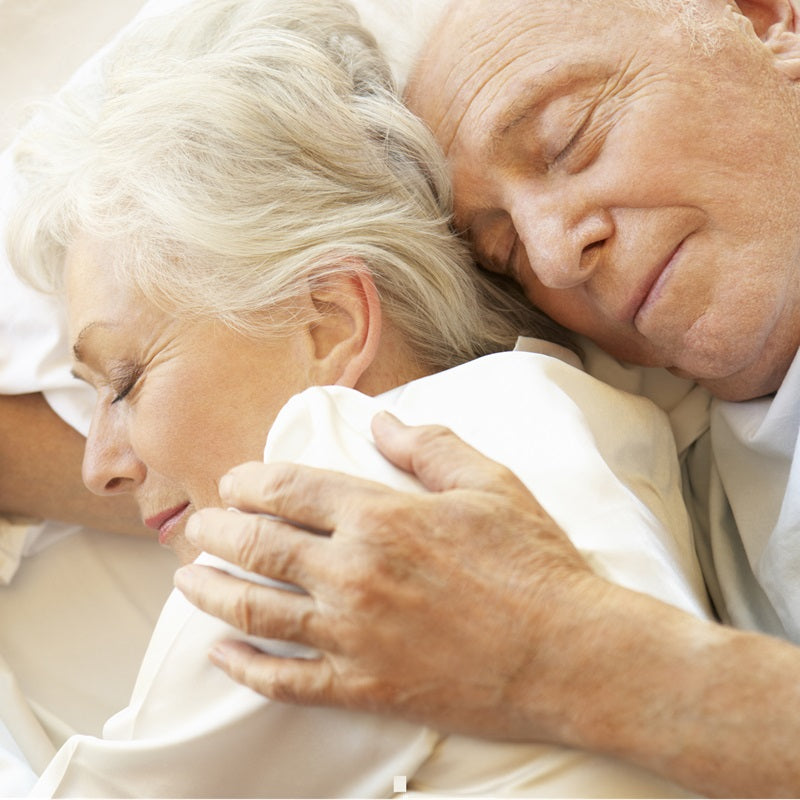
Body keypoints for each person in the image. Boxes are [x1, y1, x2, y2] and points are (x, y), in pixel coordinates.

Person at [4, 0, 714, 794]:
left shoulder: (337, 522)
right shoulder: (596, 419)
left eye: (127, 380)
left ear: (329, 324)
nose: (98, 465)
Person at [172, 0, 800, 797]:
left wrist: (564, 653)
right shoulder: (670, 492)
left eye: (570, 139)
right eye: (505, 255)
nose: (555, 254)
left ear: (768, 22)